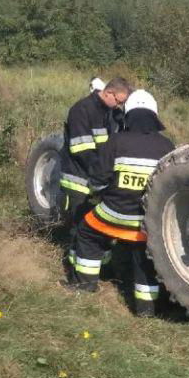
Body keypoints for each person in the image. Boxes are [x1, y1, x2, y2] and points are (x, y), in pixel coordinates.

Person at [65, 90, 175, 317]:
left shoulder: (116, 141)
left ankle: (85, 286)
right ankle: (146, 309)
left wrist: (102, 194)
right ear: (154, 116)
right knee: (144, 257)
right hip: (146, 223)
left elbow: (97, 181)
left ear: (128, 115)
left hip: (113, 214)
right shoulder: (167, 147)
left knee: (87, 232)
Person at [59, 78, 133, 266]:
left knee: (98, 229)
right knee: (80, 229)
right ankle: (75, 271)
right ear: (108, 93)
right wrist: (104, 174)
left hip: (97, 181)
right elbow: (81, 150)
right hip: (79, 180)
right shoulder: (82, 110)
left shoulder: (109, 112)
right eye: (119, 101)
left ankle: (101, 268)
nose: (120, 106)